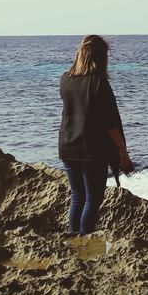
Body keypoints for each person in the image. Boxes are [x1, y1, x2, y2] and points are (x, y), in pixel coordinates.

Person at [58, 35, 133, 236]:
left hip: (67, 144)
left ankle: (73, 240)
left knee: (77, 196)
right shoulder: (99, 83)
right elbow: (110, 123)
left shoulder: (65, 79)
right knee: (92, 199)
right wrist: (121, 150)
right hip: (91, 148)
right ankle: (85, 241)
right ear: (101, 57)